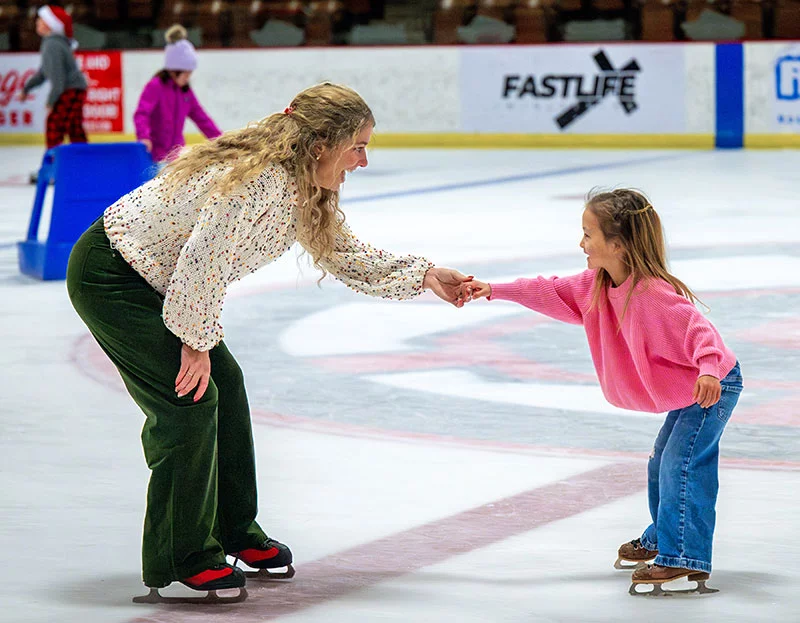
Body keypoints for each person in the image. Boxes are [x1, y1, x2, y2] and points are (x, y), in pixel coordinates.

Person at [66, 82, 470, 601]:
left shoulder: (302, 180)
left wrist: (425, 274)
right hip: (113, 276)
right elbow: (203, 260)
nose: (363, 161)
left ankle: (234, 530)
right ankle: (183, 555)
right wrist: (195, 343)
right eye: (358, 147)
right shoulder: (256, 182)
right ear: (322, 145)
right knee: (189, 403)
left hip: (163, 281)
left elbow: (342, 252)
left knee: (226, 386)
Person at [459, 189, 742, 595]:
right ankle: (664, 536)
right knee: (661, 463)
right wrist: (492, 289)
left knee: (680, 464)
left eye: (588, 234)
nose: (581, 243)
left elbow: (701, 332)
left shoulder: (652, 294)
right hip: (690, 385)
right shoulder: (596, 285)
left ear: (618, 244)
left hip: (713, 383)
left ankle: (683, 556)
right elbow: (547, 290)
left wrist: (710, 371)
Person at [17, 4, 88, 183]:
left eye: (41, 20)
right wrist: (26, 88)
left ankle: (54, 169)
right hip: (74, 89)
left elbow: (58, 79)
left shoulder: (52, 44)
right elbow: (43, 73)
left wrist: (51, 101)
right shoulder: (53, 42)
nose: (37, 22)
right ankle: (83, 165)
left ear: (50, 24)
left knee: (54, 128)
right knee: (74, 129)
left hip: (69, 90)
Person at [134, 24, 222, 164]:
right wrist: (143, 136)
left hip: (175, 156)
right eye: (185, 73)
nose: (188, 77)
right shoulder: (155, 86)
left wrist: (220, 140)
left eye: (190, 73)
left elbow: (202, 118)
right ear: (174, 69)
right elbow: (141, 114)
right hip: (154, 156)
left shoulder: (185, 92)